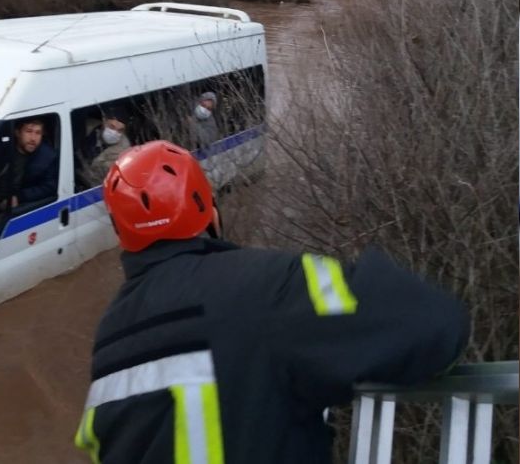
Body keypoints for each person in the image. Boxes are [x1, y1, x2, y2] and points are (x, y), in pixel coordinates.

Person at [74, 140, 469, 464]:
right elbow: (432, 324)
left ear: (121, 234)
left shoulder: (108, 342)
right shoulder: (267, 284)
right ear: (207, 209)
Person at [87, 109, 132, 184]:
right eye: (112, 126)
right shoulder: (89, 127)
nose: (114, 133)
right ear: (104, 120)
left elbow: (96, 173)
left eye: (120, 130)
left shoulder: (123, 150)